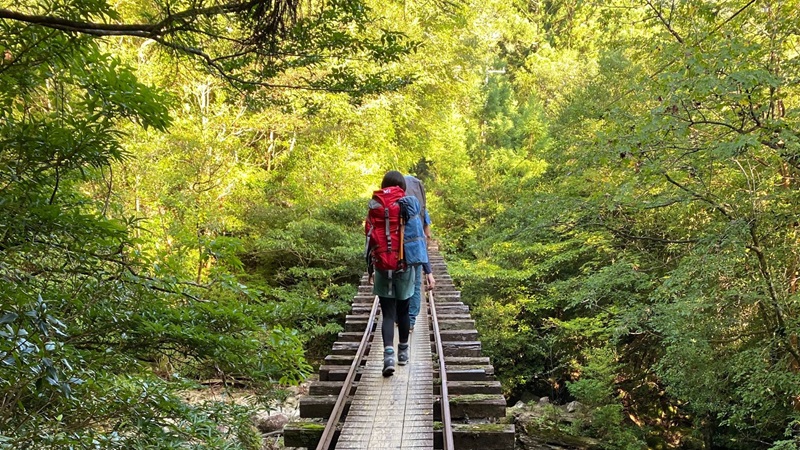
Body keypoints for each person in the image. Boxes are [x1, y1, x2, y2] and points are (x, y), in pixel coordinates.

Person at [368, 171, 435, 377]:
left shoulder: (375, 204)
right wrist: (428, 271)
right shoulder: (409, 204)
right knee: (403, 311)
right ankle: (403, 353)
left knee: (388, 314)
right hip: (403, 266)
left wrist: (370, 269)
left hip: (381, 266)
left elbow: (369, 239)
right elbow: (418, 240)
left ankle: (388, 356)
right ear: (402, 187)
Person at [403, 174, 433, 331]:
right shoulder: (420, 209)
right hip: (416, 252)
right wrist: (428, 270)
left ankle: (398, 315)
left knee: (399, 283)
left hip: (398, 252)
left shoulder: (395, 204)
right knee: (415, 284)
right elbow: (427, 235)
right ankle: (411, 320)